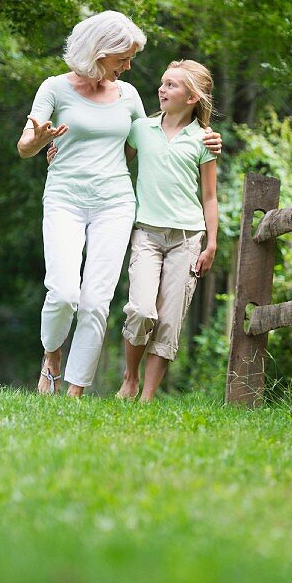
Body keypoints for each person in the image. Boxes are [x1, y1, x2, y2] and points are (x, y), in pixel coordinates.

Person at [17, 11, 221, 397]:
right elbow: (24, 146)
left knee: (96, 300)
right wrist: (40, 141)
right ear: (100, 51)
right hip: (64, 197)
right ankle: (51, 358)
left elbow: (152, 140)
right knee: (63, 293)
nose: (128, 67)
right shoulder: (53, 89)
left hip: (114, 202)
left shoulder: (127, 95)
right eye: (122, 58)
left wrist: (208, 139)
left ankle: (75, 390)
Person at [115, 60, 219, 402]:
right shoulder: (141, 129)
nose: (162, 89)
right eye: (163, 83)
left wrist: (211, 244)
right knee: (142, 310)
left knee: (169, 322)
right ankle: (130, 379)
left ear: (191, 97)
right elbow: (113, 163)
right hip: (146, 234)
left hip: (187, 240)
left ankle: (146, 398)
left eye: (172, 85)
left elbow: (209, 197)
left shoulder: (204, 140)